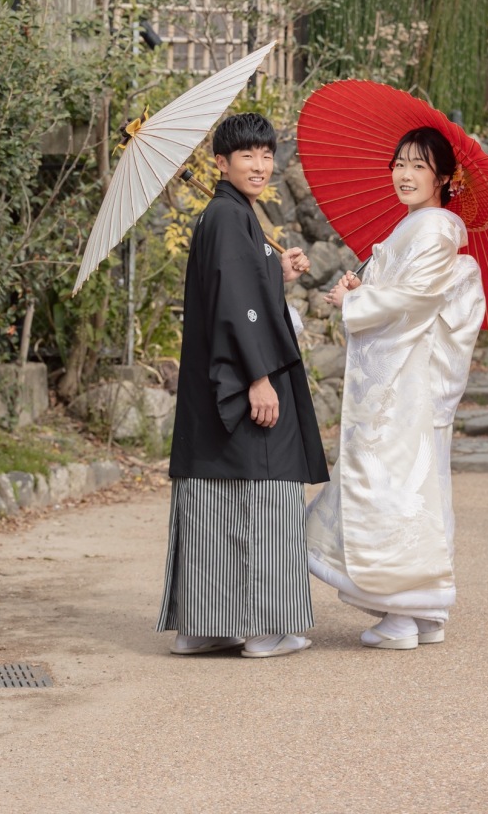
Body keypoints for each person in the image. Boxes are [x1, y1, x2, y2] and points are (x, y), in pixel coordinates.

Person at [157, 113, 330, 659]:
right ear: (220, 163)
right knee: (267, 493)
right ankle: (266, 627)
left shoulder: (230, 216)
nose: (259, 165)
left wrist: (276, 272)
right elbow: (236, 306)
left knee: (213, 499)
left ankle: (204, 624)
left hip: (214, 385)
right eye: (246, 156)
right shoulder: (230, 219)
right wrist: (259, 378)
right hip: (240, 377)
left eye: (265, 154)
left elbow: (240, 287)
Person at [306, 125, 485, 649]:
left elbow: (412, 301)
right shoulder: (418, 227)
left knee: (396, 485)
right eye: (399, 163)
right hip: (406, 375)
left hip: (406, 380)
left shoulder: (432, 230)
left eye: (419, 166)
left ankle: (403, 610)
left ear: (444, 178)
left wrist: (355, 304)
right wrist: (365, 288)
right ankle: (423, 611)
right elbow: (404, 291)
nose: (404, 174)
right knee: (416, 484)